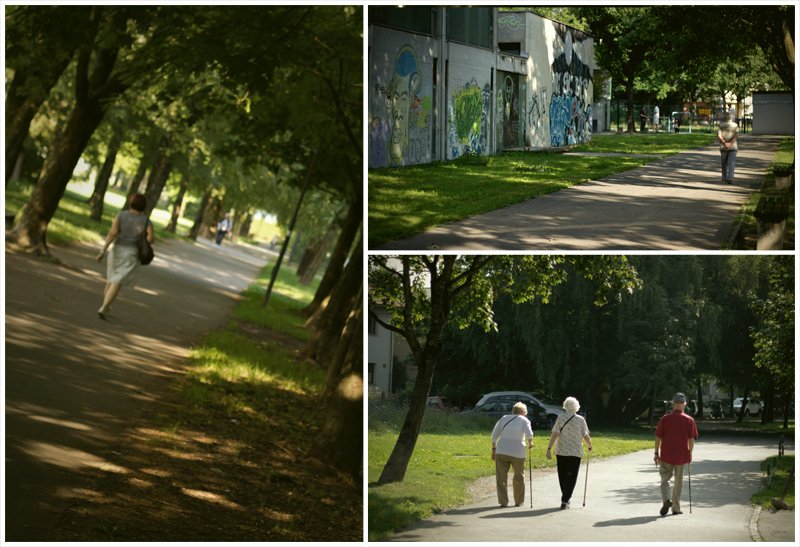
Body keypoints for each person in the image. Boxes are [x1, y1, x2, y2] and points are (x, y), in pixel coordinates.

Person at [95, 193, 154, 319]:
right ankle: (104, 307)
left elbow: (113, 233)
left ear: (131, 202)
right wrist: (143, 241)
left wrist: (103, 250)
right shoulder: (146, 221)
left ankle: (105, 305)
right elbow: (151, 238)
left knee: (111, 279)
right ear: (144, 206)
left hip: (116, 250)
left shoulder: (121, 215)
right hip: (131, 253)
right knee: (117, 281)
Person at [654, 392, 698, 516]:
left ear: (672, 405)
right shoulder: (689, 420)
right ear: (684, 406)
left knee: (664, 478)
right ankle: (676, 508)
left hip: (666, 454)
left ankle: (666, 500)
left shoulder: (665, 418)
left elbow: (658, 437)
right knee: (679, 482)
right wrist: (690, 454)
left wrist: (656, 453)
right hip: (682, 455)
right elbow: (691, 440)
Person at [546, 397, 592, 509]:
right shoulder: (580, 419)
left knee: (562, 475)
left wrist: (549, 449)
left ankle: (565, 498)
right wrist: (589, 445)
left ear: (565, 406)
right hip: (575, 452)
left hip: (561, 450)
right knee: (571, 476)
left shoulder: (560, 418)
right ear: (576, 406)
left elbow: (554, 434)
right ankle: (565, 499)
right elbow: (585, 435)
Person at [491, 402, 534, 507]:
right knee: (519, 476)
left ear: (513, 411)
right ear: (524, 412)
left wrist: (493, 450)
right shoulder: (524, 420)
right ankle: (519, 501)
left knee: (501, 477)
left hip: (502, 451)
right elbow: (529, 434)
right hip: (518, 452)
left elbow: (494, 436)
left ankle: (503, 502)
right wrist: (530, 443)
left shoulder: (504, 418)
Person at [717, 110, 739, 184]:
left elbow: (719, 135)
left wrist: (724, 142)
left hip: (723, 146)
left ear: (725, 118)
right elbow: (737, 135)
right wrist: (731, 143)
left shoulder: (721, 125)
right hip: (733, 147)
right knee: (731, 162)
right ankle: (730, 177)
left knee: (724, 162)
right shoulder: (735, 125)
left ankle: (724, 177)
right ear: (732, 118)